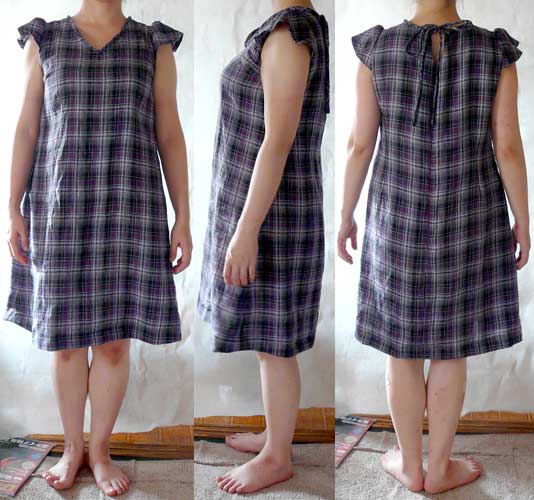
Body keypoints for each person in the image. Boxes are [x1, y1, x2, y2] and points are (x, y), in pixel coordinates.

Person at [338, 0, 529, 494]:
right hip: (470, 214)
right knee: (451, 345)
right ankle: (440, 467)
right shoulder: (494, 52)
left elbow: (360, 144)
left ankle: (410, 465)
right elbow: (508, 145)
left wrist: (345, 214)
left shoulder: (377, 50)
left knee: (400, 347)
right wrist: (523, 220)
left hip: (396, 216)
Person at [5, 0, 191, 496]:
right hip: (59, 209)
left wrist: (183, 216)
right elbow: (26, 128)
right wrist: (12, 207)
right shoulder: (43, 40)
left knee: (113, 342)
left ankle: (100, 450)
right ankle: (72, 448)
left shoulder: (153, 44)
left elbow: (169, 133)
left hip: (130, 209)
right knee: (66, 342)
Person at [197, 0, 330, 494]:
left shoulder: (289, 35)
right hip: (265, 209)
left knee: (275, 344)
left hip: (274, 218)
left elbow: (277, 141)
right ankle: (275, 435)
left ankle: (277, 456)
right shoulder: (289, 30)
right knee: (266, 338)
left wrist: (247, 229)